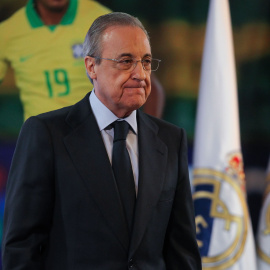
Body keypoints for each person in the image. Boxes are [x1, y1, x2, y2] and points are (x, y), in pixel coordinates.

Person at [2, 12, 201, 270]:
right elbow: (21, 248)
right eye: (126, 61)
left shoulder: (170, 140)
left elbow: (182, 252)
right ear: (91, 66)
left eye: (147, 62)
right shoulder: (46, 134)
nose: (140, 74)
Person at [0, 0, 164, 120]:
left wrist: (145, 139)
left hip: (95, 139)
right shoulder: (8, 33)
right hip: (41, 142)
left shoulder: (100, 19)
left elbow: (147, 83)